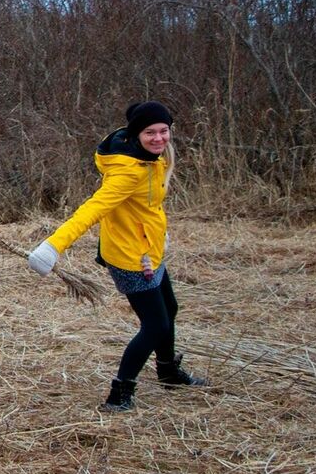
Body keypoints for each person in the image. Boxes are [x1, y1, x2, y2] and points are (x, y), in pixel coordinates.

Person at [27, 101, 206, 412]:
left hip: (149, 249)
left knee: (170, 308)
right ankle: (119, 394)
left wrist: (158, 232)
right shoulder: (128, 172)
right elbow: (92, 210)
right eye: (150, 132)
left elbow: (146, 206)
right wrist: (53, 246)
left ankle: (167, 371)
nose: (159, 138)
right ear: (136, 134)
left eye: (164, 131)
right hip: (131, 258)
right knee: (155, 326)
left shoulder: (153, 159)